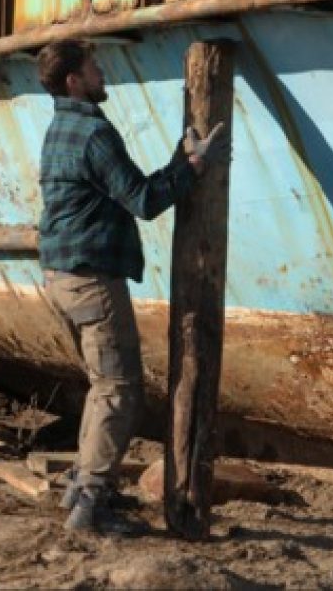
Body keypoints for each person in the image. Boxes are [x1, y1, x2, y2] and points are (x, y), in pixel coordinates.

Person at [36, 39, 228, 536]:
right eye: (94, 68)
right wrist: (195, 167)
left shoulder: (60, 128)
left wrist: (179, 160)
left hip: (59, 277)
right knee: (120, 392)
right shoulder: (95, 133)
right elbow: (142, 201)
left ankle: (81, 489)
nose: (103, 74)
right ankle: (90, 508)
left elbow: (124, 189)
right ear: (75, 80)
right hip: (93, 280)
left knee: (103, 388)